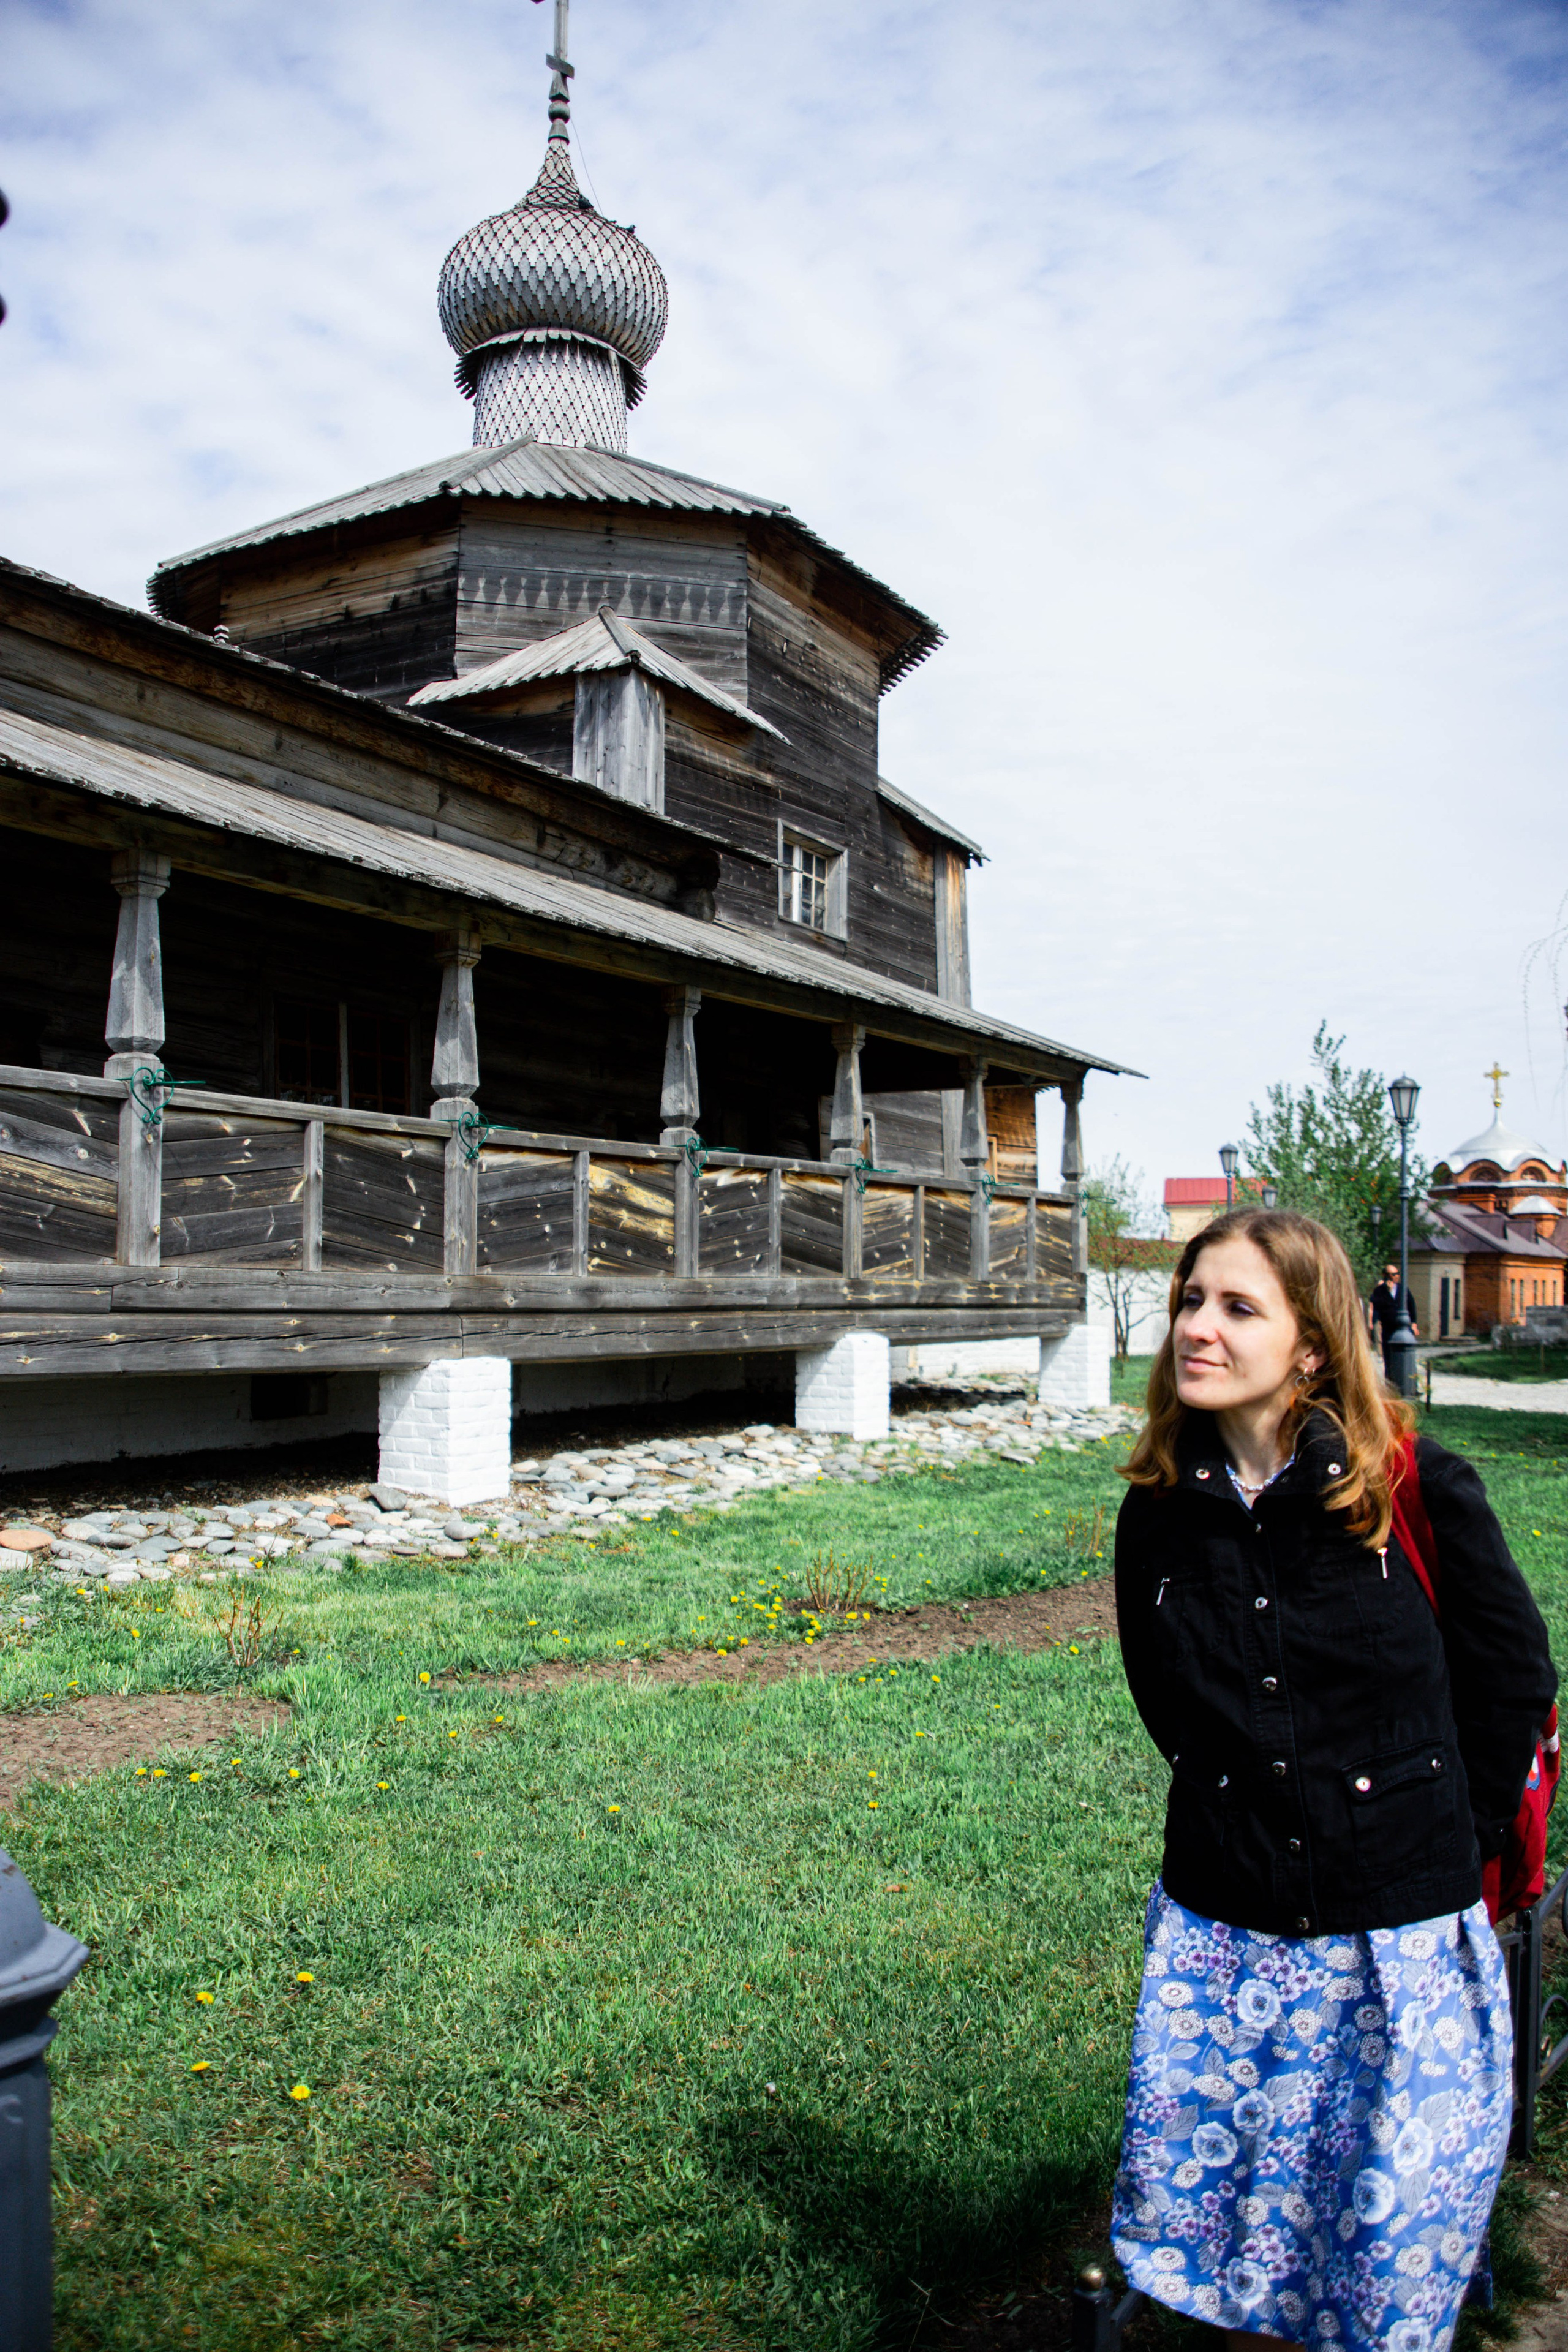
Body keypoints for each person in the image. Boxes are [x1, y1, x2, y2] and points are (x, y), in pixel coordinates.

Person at [1109, 1207, 1555, 2350]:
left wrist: (1444, 1843)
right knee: (1243, 2233)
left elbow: (1512, 1681)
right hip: (1228, 1930)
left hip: (1396, 1939)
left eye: (1236, 1308)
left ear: (1311, 1346)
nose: (1196, 1330)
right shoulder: (1158, 1510)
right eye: (1189, 1303)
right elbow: (1168, 1703)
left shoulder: (1410, 1485)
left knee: (1387, 2235)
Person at [1369, 1262, 1419, 1377]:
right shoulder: (1380, 1291)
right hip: (1388, 1328)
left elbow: (1412, 1305)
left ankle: (1410, 1382)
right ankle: (1390, 1381)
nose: (1397, 1276)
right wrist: (1388, 1291)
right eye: (1394, 1274)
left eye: (1397, 1274)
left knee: (1407, 1357)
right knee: (1389, 1357)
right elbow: (1377, 1306)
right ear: (1386, 1276)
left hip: (1403, 1328)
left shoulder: (1403, 1289)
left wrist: (1414, 1324)